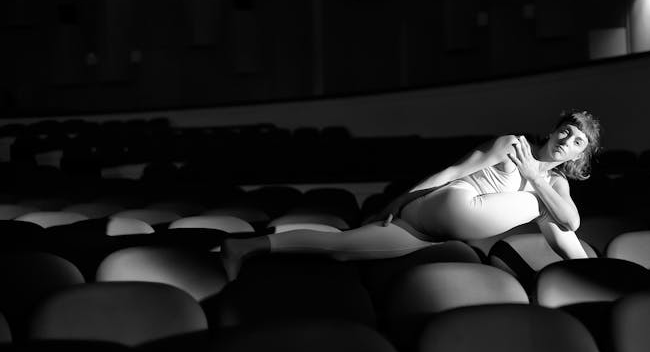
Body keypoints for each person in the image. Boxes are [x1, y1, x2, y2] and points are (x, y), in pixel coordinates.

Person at [221, 110, 601, 279]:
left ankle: (246, 248)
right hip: (451, 203)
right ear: (552, 132)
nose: (567, 140)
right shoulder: (513, 145)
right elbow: (453, 172)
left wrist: (589, 274)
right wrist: (397, 202)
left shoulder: (554, 185)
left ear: (580, 155)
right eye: (564, 130)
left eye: (577, 140)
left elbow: (567, 229)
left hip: (426, 231)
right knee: (542, 204)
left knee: (340, 247)